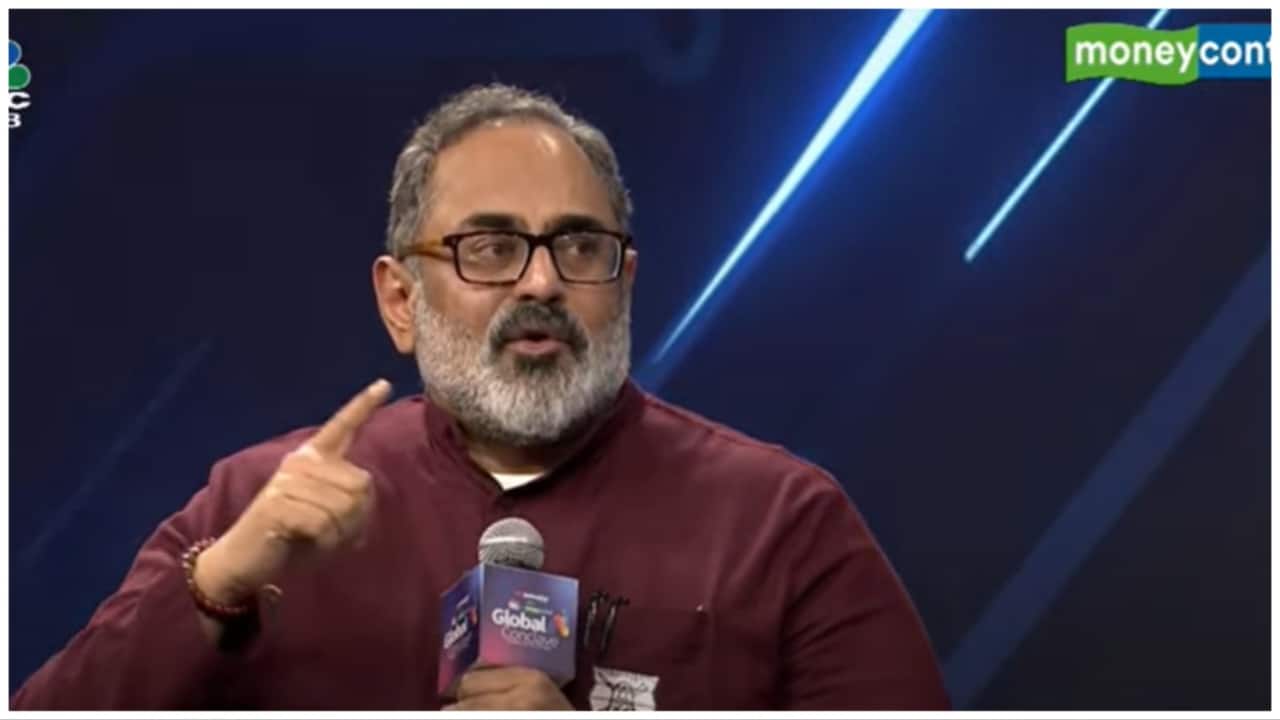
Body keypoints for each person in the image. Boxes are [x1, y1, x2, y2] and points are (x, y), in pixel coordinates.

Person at [12, 83, 950, 711]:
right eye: (490, 247)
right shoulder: (256, 503)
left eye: (579, 246)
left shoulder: (782, 523)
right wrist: (214, 591)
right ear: (400, 301)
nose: (542, 282)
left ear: (624, 281)